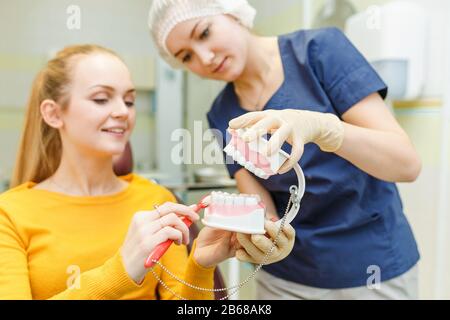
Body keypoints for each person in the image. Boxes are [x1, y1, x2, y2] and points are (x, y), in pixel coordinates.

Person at [148, 0, 422, 299]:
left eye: (204, 33)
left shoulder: (320, 51)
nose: (205, 57)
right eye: (186, 56)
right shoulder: (221, 113)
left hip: (372, 266)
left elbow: (406, 164)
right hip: (286, 278)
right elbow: (260, 202)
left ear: (233, 13)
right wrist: (265, 237)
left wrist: (325, 128)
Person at [0, 44, 239, 300]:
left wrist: (200, 267)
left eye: (129, 101)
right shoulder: (11, 213)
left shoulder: (155, 201)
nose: (123, 112)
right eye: (101, 99)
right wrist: (121, 270)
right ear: (54, 113)